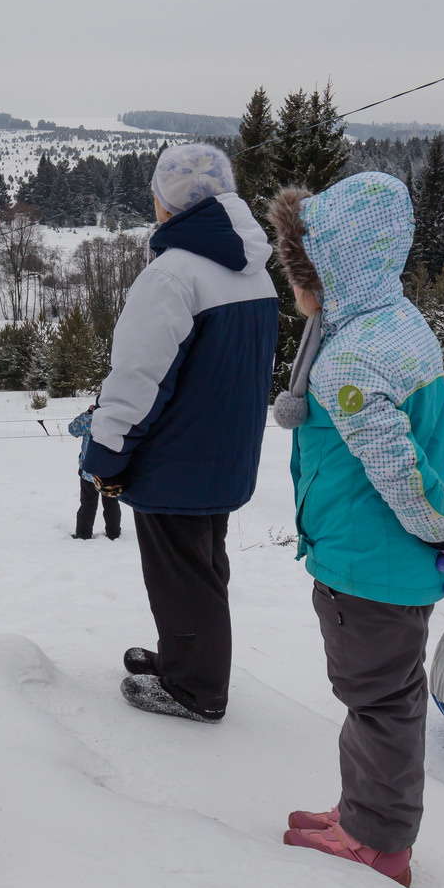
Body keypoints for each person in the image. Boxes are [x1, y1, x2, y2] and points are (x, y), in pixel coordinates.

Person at [267, 173, 444, 887]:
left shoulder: (350, 361)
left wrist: (440, 527)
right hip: (375, 561)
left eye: (299, 273)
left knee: (381, 702)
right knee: (378, 698)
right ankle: (363, 811)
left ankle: (378, 841)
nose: (292, 289)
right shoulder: (389, 321)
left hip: (370, 568)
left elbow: (399, 471)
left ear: (330, 272)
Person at [80, 143, 279, 725]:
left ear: (170, 204)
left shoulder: (172, 275)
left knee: (183, 574)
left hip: (177, 455)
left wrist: (107, 450)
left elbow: (138, 378)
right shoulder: (251, 270)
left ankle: (195, 688)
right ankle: (183, 657)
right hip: (222, 449)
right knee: (202, 565)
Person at [65, 400, 121, 540]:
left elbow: (73, 429)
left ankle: (83, 534)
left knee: (88, 503)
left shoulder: (91, 419)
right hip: (112, 468)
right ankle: (113, 534)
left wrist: (88, 413)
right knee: (111, 502)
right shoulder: (118, 419)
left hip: (89, 469)